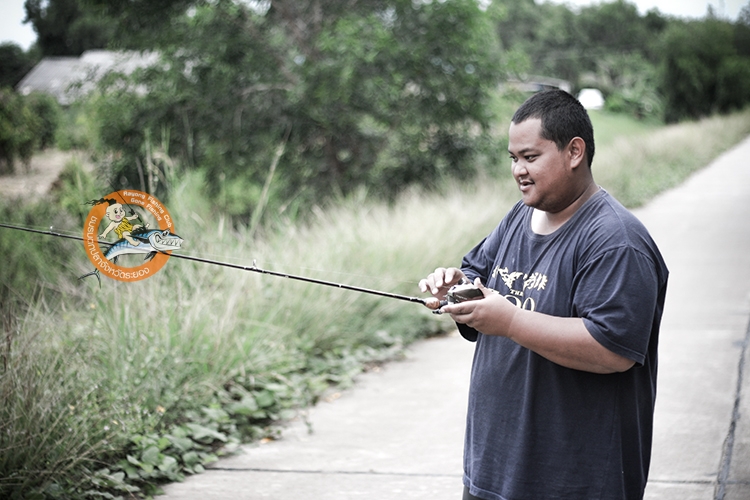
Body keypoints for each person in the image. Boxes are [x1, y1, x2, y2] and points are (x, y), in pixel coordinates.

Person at [419, 89, 668, 500]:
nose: (518, 170)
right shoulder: (521, 214)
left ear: (574, 152)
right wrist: (456, 288)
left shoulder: (615, 242)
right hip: (493, 472)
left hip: (572, 482)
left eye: (530, 157)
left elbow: (613, 350)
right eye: (513, 158)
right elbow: (480, 273)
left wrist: (512, 321)